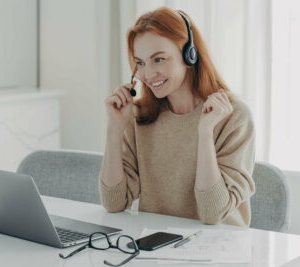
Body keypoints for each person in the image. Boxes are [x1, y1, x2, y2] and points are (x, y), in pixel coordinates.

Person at [99, 7, 255, 227]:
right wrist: (115, 129)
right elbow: (114, 202)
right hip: (157, 249)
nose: (148, 74)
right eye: (141, 63)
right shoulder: (140, 116)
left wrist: (205, 132)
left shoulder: (234, 115)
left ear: (190, 54)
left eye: (159, 59)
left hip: (219, 252)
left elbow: (212, 213)